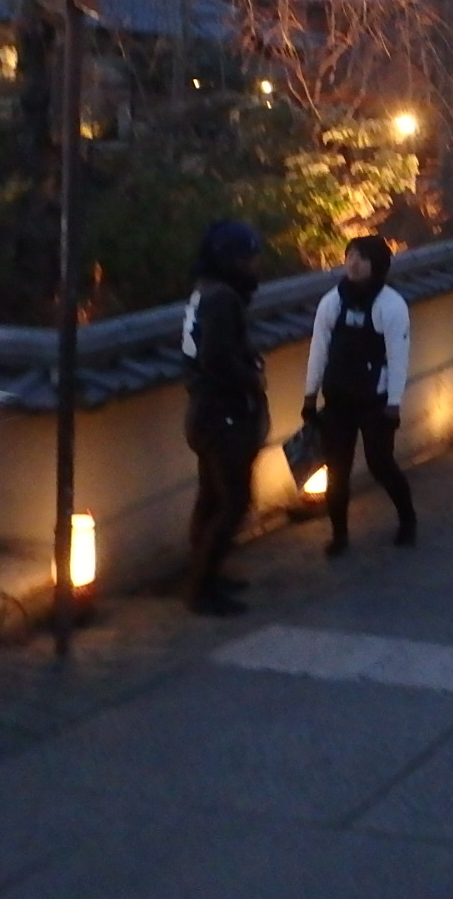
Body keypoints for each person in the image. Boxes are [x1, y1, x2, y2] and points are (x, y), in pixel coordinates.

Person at [302, 236, 416, 557]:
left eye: (362, 258)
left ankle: (407, 519)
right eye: (350, 256)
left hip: (375, 400)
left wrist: (394, 403)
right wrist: (310, 397)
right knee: (336, 470)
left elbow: (398, 356)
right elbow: (318, 350)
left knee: (381, 464)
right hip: (337, 399)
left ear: (377, 265)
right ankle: (339, 535)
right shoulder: (331, 302)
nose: (353, 263)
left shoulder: (391, 305)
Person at [181, 220, 270, 616]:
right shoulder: (224, 300)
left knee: (212, 498)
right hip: (223, 414)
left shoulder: (203, 293)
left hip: (203, 411)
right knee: (233, 502)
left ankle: (206, 574)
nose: (254, 266)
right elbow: (215, 357)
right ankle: (202, 588)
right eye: (248, 258)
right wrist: (252, 379)